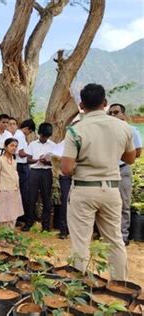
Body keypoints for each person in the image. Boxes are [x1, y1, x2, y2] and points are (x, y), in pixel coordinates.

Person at [61, 83, 135, 281]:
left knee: (81, 242)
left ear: (81, 105)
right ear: (105, 103)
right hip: (111, 189)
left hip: (84, 190)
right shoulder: (124, 127)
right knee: (115, 240)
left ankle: (80, 289)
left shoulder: (76, 131)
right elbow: (130, 159)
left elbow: (66, 169)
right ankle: (121, 287)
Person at [108, 103, 142, 245]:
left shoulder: (132, 130)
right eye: (110, 113)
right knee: (107, 204)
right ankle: (108, 234)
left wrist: (120, 155)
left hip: (123, 169)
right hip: (107, 170)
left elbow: (138, 152)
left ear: (124, 114)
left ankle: (123, 236)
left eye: (116, 112)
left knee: (123, 204)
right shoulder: (107, 132)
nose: (113, 115)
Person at [23, 123, 56, 232]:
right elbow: (27, 160)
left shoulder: (53, 145)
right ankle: (29, 222)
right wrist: (38, 160)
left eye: (47, 137)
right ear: (40, 133)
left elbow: (55, 163)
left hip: (46, 172)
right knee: (31, 198)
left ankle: (45, 225)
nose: (44, 138)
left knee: (46, 198)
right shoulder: (33, 144)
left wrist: (47, 162)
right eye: (43, 136)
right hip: (34, 172)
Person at [0, 138, 24, 229]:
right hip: (4, 190)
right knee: (4, 215)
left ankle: (10, 235)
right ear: (5, 147)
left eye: (16, 146)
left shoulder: (14, 161)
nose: (14, 148)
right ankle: (2, 238)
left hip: (14, 190)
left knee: (13, 214)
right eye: (11, 146)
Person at [8, 117, 30, 224]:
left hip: (20, 165)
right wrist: (32, 153)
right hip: (21, 165)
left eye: (14, 124)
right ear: (27, 129)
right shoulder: (20, 136)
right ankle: (20, 217)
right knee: (22, 191)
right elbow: (21, 153)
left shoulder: (17, 135)